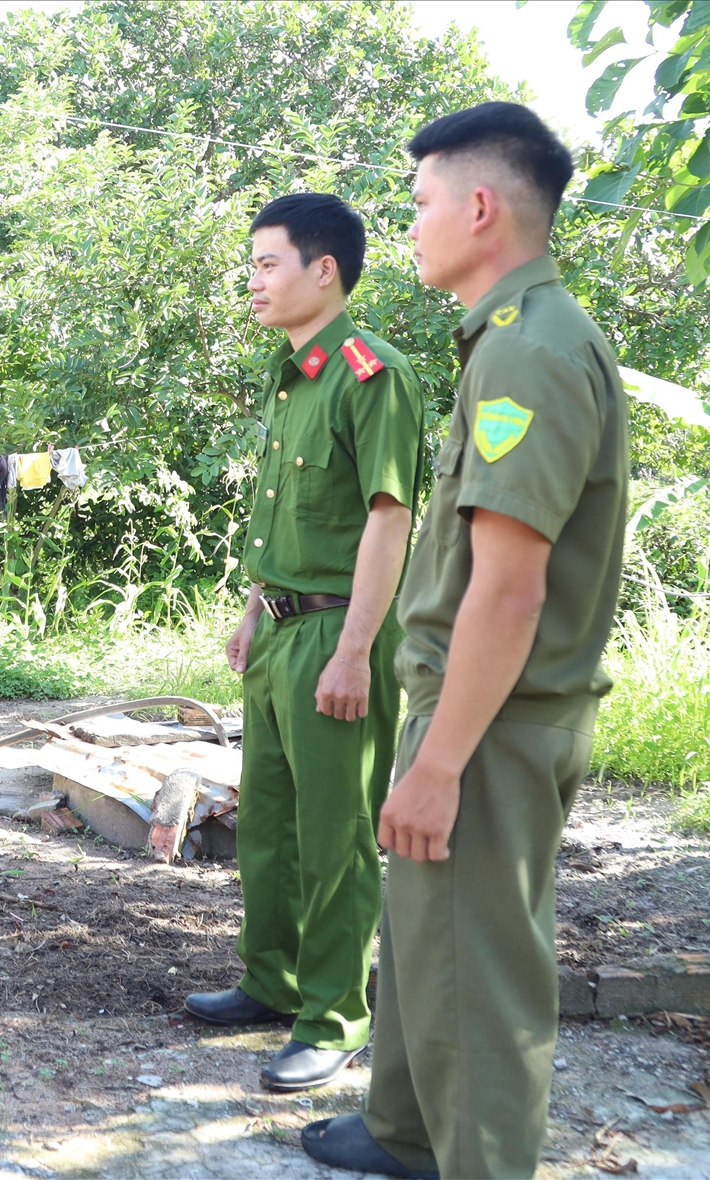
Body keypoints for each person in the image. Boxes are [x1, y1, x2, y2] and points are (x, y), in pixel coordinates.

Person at [301, 103, 628, 1179]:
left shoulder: (528, 352)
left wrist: (440, 763)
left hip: (490, 718)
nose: (410, 224)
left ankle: (478, 1160)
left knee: (477, 965)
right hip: (471, 704)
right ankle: (408, 1131)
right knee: (428, 929)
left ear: (480, 208)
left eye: (421, 202)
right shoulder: (515, 336)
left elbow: (510, 593)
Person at [184, 193, 426, 1091]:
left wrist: (356, 650)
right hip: (282, 629)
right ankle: (272, 982)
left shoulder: (372, 374)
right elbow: (286, 510)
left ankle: (333, 1017)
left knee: (335, 835)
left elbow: (388, 517)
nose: (252, 281)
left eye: (266, 263)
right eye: (250, 265)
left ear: (324, 271)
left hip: (337, 631)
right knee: (271, 826)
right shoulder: (292, 377)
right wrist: (255, 606)